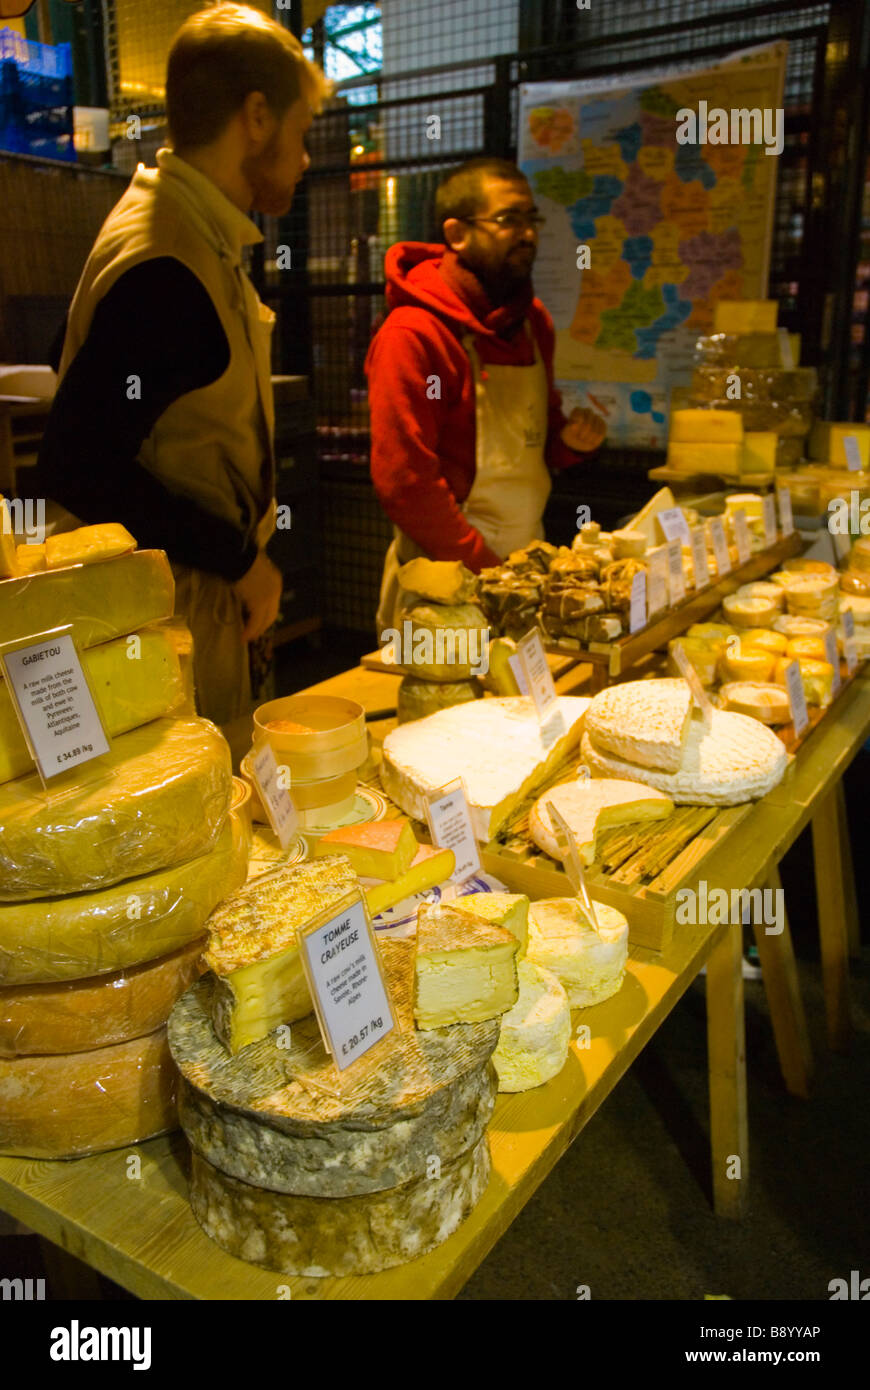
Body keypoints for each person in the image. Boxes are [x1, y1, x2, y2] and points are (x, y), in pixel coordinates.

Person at [35, 4, 328, 727]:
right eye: (302, 133)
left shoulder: (170, 222)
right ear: (256, 117)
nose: (306, 157)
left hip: (179, 603)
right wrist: (238, 558)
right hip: (161, 620)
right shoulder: (170, 261)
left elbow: (69, 363)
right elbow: (76, 462)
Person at [365, 156, 607, 635]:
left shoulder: (532, 323)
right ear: (456, 234)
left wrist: (569, 442)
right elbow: (406, 481)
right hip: (443, 586)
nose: (527, 233)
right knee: (441, 706)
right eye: (508, 220)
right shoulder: (414, 333)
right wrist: (488, 572)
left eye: (530, 219)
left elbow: (539, 437)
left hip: (523, 569)